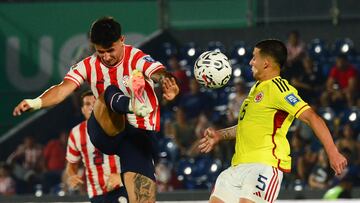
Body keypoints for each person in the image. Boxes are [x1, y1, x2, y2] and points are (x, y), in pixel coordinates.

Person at [13, 16, 179, 203]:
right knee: (108, 92)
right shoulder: (88, 65)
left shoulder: (136, 57)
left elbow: (158, 73)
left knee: (143, 199)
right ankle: (132, 104)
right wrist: (35, 102)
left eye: (110, 50)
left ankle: (134, 103)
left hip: (138, 134)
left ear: (122, 40)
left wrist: (166, 82)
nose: (106, 57)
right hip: (104, 129)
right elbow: (62, 89)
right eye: (101, 52)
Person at [198, 39, 347, 203]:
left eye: (254, 57)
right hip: (237, 167)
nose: (250, 62)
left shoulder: (279, 88)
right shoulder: (256, 89)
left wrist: (332, 152)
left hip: (263, 166)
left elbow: (312, 117)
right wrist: (219, 135)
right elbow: (245, 127)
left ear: (266, 63)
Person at [65, 90, 127, 203]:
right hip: (96, 193)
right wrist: (71, 176)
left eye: (94, 103)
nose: (91, 107)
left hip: (121, 187)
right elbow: (71, 164)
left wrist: (121, 176)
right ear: (82, 110)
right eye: (87, 104)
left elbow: (133, 156)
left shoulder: (117, 124)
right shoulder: (76, 133)